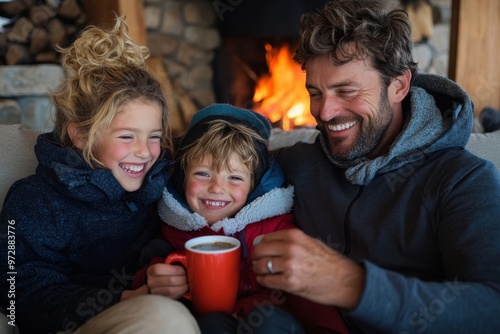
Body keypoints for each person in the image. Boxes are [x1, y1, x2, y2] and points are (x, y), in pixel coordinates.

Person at [250, 0, 500, 333]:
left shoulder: (463, 179)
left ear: (399, 85)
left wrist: (350, 284)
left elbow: (492, 306)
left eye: (346, 91)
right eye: (315, 93)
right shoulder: (298, 163)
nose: (324, 113)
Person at [0, 18, 200, 334]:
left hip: (159, 314)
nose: (145, 152)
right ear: (80, 136)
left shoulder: (165, 184)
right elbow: (18, 296)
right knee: (165, 318)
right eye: (126, 137)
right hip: (83, 324)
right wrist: (123, 299)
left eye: (153, 136)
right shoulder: (33, 199)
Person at [133, 103, 348, 333]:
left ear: (254, 186)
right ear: (182, 179)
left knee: (270, 322)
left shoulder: (277, 232)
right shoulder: (172, 231)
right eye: (202, 173)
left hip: (269, 320)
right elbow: (148, 272)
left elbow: (305, 289)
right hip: (207, 322)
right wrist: (153, 278)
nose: (216, 187)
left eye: (234, 178)